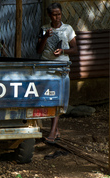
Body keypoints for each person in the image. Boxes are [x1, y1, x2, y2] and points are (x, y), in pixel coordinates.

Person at [37, 3, 78, 144]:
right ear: (49, 15)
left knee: (59, 98)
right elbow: (38, 50)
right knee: (49, 98)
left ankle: (53, 132)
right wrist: (45, 37)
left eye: (59, 14)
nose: (57, 17)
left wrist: (63, 51)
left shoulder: (68, 29)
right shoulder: (44, 29)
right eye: (54, 14)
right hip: (46, 67)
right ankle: (56, 130)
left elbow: (75, 49)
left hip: (61, 68)